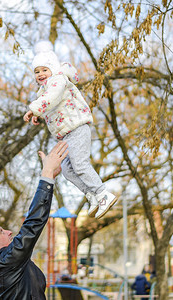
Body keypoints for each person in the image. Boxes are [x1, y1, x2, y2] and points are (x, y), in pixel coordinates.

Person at [23, 40, 117, 219]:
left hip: (77, 128)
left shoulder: (58, 80)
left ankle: (102, 193)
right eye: (37, 71)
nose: (41, 74)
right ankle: (92, 195)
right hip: (66, 135)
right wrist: (39, 114)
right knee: (67, 169)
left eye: (44, 70)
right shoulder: (45, 90)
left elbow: (52, 97)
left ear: (52, 69)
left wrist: (34, 109)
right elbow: (51, 102)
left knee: (80, 164)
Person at [0, 141, 69, 299]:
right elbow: (32, 224)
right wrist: (47, 175)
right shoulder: (6, 261)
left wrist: (50, 176)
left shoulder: (10, 264)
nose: (9, 232)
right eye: (1, 232)